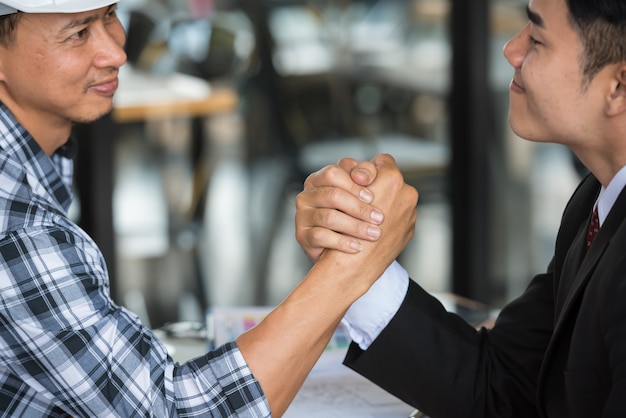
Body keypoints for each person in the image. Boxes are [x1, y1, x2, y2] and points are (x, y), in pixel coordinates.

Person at [0, 1, 418, 416]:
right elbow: (173, 412)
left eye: (110, 16)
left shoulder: (32, 173)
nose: (116, 53)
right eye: (77, 33)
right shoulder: (20, 230)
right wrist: (351, 268)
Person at [295, 0, 626, 417]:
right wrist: (358, 258)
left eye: (537, 38)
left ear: (618, 86)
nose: (512, 50)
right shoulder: (596, 202)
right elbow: (500, 384)